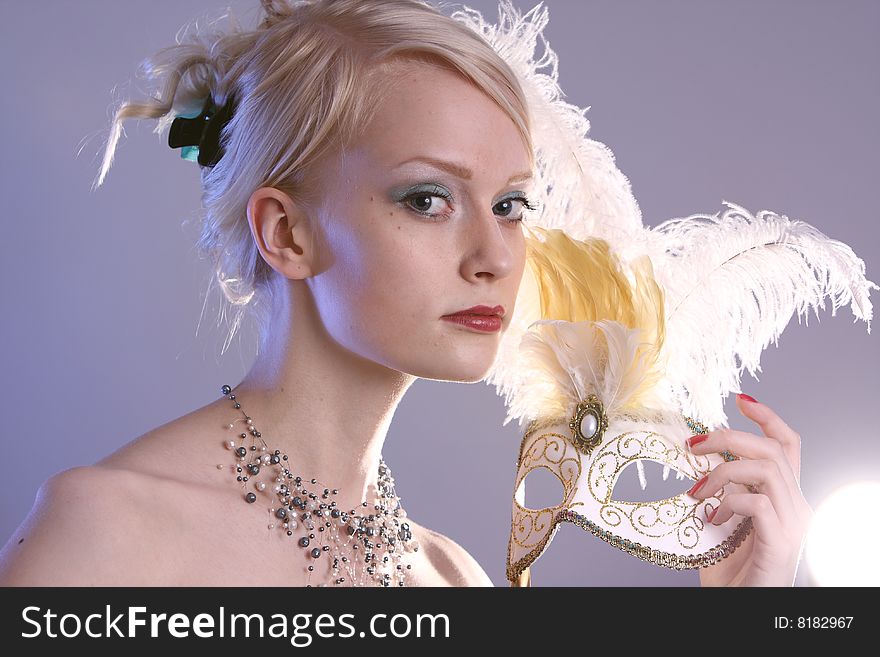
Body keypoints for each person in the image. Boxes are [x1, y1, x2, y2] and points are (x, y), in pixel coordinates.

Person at [0, 0, 811, 587]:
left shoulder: (449, 575)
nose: (496, 255)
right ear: (286, 233)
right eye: (428, 198)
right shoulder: (110, 535)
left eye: (511, 205)